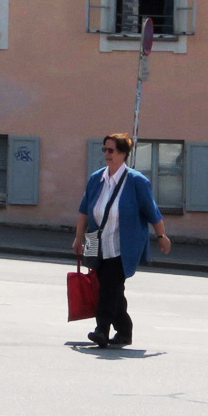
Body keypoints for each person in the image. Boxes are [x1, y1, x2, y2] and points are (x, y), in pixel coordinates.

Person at [72, 133, 170, 349]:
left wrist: (161, 236)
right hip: (97, 243)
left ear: (123, 154)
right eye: (104, 150)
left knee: (109, 287)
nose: (106, 154)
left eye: (111, 150)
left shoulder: (137, 182)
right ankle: (124, 330)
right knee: (112, 288)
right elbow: (84, 211)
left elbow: (153, 213)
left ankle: (101, 330)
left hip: (123, 247)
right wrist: (78, 238)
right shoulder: (96, 179)